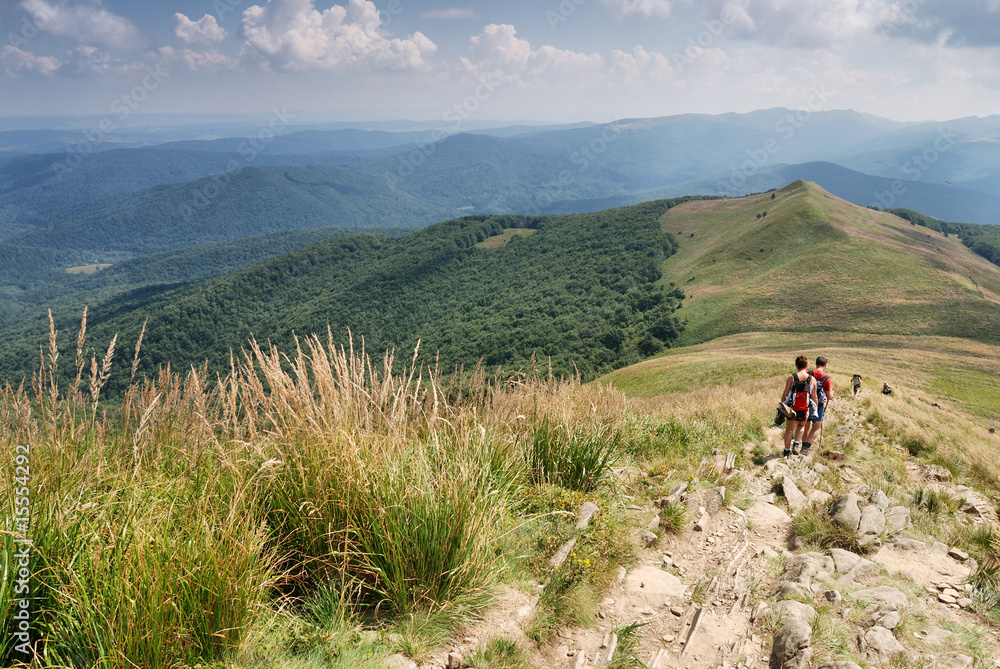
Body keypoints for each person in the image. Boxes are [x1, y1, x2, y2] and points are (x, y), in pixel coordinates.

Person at [779, 355, 817, 457]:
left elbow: (785, 393)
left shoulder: (792, 378)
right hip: (805, 407)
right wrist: (815, 409)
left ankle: (786, 451)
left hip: (792, 407)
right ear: (807, 365)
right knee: (801, 426)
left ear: (796, 365)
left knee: (789, 429)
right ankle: (796, 444)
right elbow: (814, 397)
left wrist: (782, 405)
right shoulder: (812, 379)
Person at [803, 357, 833, 454]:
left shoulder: (808, 373)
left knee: (805, 425)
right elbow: (829, 396)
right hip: (819, 405)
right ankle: (806, 447)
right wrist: (832, 392)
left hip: (806, 402)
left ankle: (802, 444)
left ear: (816, 363)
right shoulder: (826, 378)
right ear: (825, 365)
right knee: (816, 427)